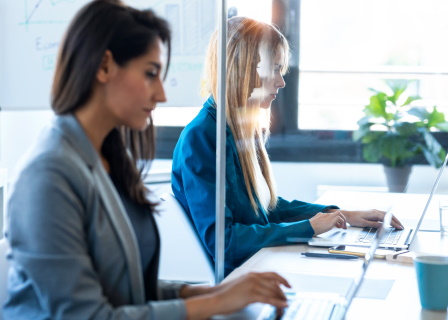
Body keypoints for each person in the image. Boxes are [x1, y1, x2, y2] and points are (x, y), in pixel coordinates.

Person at [3, 1, 292, 319]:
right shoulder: (48, 174)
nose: (161, 95)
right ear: (104, 67)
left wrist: (215, 292)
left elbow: (125, 288)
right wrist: (213, 304)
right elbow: (87, 315)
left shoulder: (108, 157)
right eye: (150, 73)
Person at [171, 17, 404, 275]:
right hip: (244, 277)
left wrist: (342, 214)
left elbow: (265, 208)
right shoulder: (202, 138)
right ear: (245, 68)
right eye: (275, 69)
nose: (281, 82)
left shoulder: (237, 128)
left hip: (260, 264)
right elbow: (224, 243)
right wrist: (308, 227)